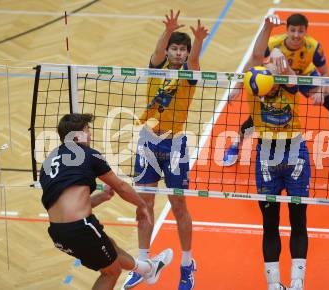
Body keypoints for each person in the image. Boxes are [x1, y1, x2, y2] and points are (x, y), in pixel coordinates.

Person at [123, 10, 208, 290]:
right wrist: (168, 31)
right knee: (144, 206)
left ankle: (187, 263)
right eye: (175, 48)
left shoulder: (189, 75)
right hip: (148, 141)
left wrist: (197, 42)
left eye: (182, 50)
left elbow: (195, 60)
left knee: (179, 206)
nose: (179, 53)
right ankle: (144, 264)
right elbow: (157, 51)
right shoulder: (156, 70)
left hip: (174, 145)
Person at [39, 113, 173, 290]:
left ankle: (148, 269)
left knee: (109, 245)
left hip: (57, 233)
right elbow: (121, 187)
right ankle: (148, 269)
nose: (90, 135)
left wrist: (101, 197)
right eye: (87, 130)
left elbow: (64, 206)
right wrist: (142, 206)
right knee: (111, 272)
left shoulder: (48, 163)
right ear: (76, 135)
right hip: (81, 227)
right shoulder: (89, 154)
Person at [223, 13, 329, 167]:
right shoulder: (274, 43)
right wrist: (237, 87)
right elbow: (253, 61)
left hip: (305, 77)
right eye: (293, 30)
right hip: (280, 80)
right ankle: (236, 145)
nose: (296, 35)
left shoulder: (313, 46)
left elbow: (325, 72)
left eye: (300, 31)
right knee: (258, 116)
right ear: (286, 30)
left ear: (306, 31)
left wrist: (320, 90)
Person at [244, 15, 309, 290]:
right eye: (268, 62)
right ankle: (282, 284)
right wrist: (269, 30)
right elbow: (258, 55)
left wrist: (280, 56)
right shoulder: (260, 84)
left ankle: (291, 283)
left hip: (285, 155)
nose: (271, 63)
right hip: (278, 158)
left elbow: (289, 77)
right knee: (279, 223)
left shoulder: (279, 84)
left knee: (290, 222)